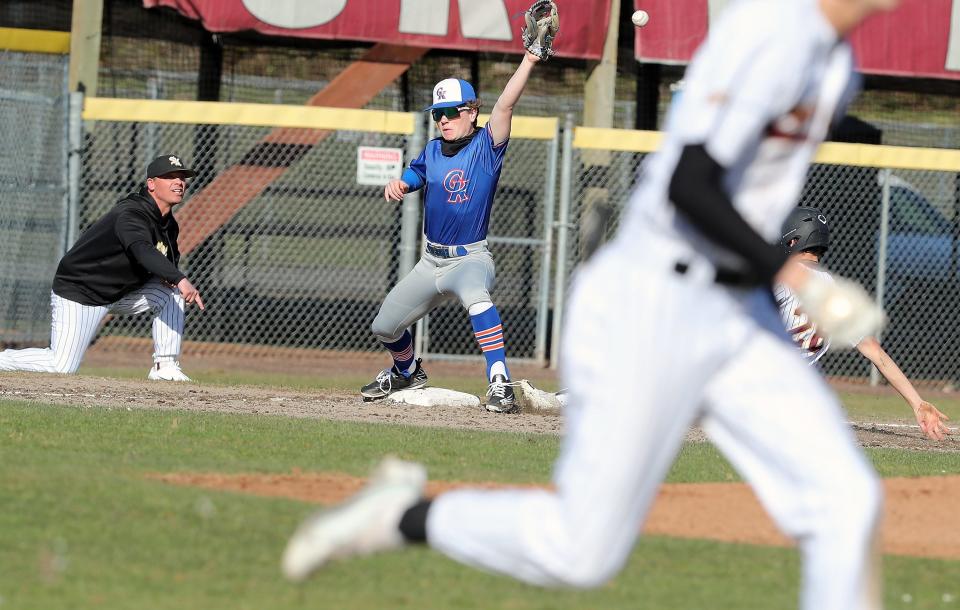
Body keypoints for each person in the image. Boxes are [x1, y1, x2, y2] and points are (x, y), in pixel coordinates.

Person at [282, 1, 899, 608]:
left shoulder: (837, 65)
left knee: (846, 501)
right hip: (656, 297)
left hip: (736, 309)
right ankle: (402, 516)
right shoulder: (767, 39)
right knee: (581, 550)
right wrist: (802, 280)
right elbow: (690, 185)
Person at [359, 52, 543, 413]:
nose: (443, 120)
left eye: (451, 112)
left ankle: (500, 381)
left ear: (471, 112)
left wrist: (529, 60)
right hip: (431, 261)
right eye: (437, 114)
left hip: (470, 259)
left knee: (478, 300)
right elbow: (418, 172)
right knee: (384, 326)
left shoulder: (486, 146)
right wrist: (403, 183)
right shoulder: (433, 149)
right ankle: (407, 371)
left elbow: (505, 104)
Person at [0, 154, 204, 381]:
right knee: (61, 366)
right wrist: (180, 278)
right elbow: (141, 248)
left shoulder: (168, 224)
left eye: (182, 177)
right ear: (151, 184)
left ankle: (164, 366)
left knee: (172, 290)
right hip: (81, 292)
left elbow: (168, 260)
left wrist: (174, 278)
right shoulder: (131, 214)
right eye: (170, 177)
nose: (179, 182)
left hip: (120, 294)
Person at [776, 206, 951, 440]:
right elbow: (877, 355)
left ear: (793, 240)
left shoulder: (785, 276)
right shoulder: (835, 292)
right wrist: (917, 403)